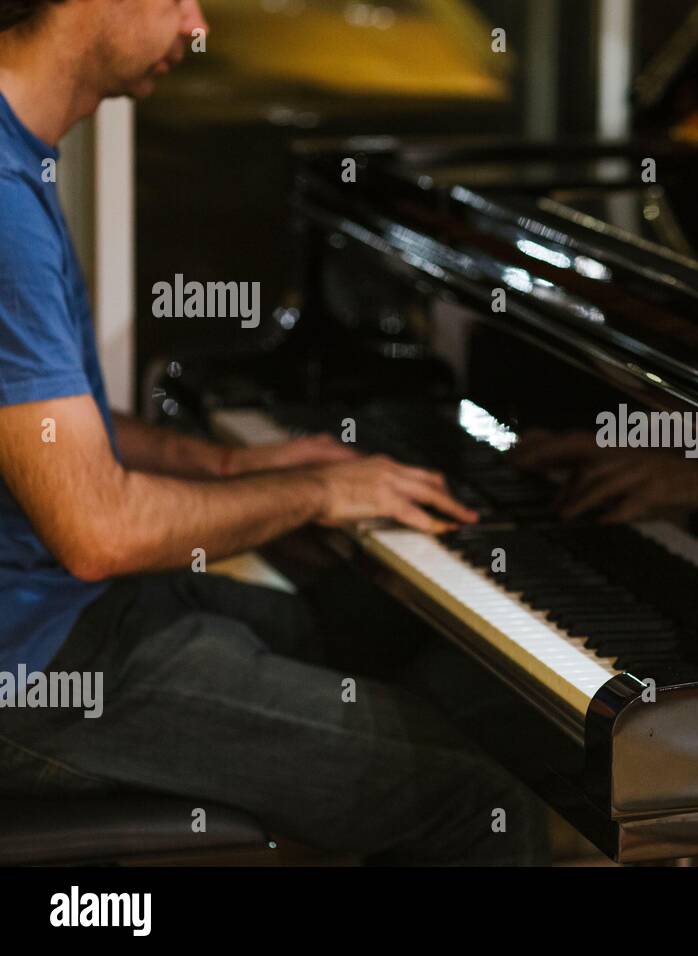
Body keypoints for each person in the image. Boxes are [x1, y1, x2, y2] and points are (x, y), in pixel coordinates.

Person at [0, 0, 548, 864]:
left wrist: (228, 462)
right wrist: (317, 491)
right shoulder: (4, 205)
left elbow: (48, 436)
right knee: (480, 801)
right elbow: (99, 534)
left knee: (393, 643)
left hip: (57, 614)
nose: (197, 23)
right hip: (35, 672)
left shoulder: (15, 154)